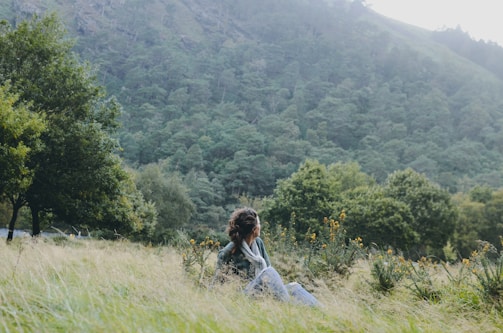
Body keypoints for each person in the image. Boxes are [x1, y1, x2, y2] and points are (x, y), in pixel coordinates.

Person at [214, 207, 320, 306]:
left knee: (294, 287)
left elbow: (269, 273)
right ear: (254, 229)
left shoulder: (258, 243)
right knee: (269, 272)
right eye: (259, 223)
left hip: (262, 290)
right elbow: (216, 284)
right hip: (243, 296)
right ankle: (288, 308)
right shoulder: (229, 251)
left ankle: (323, 313)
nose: (260, 226)